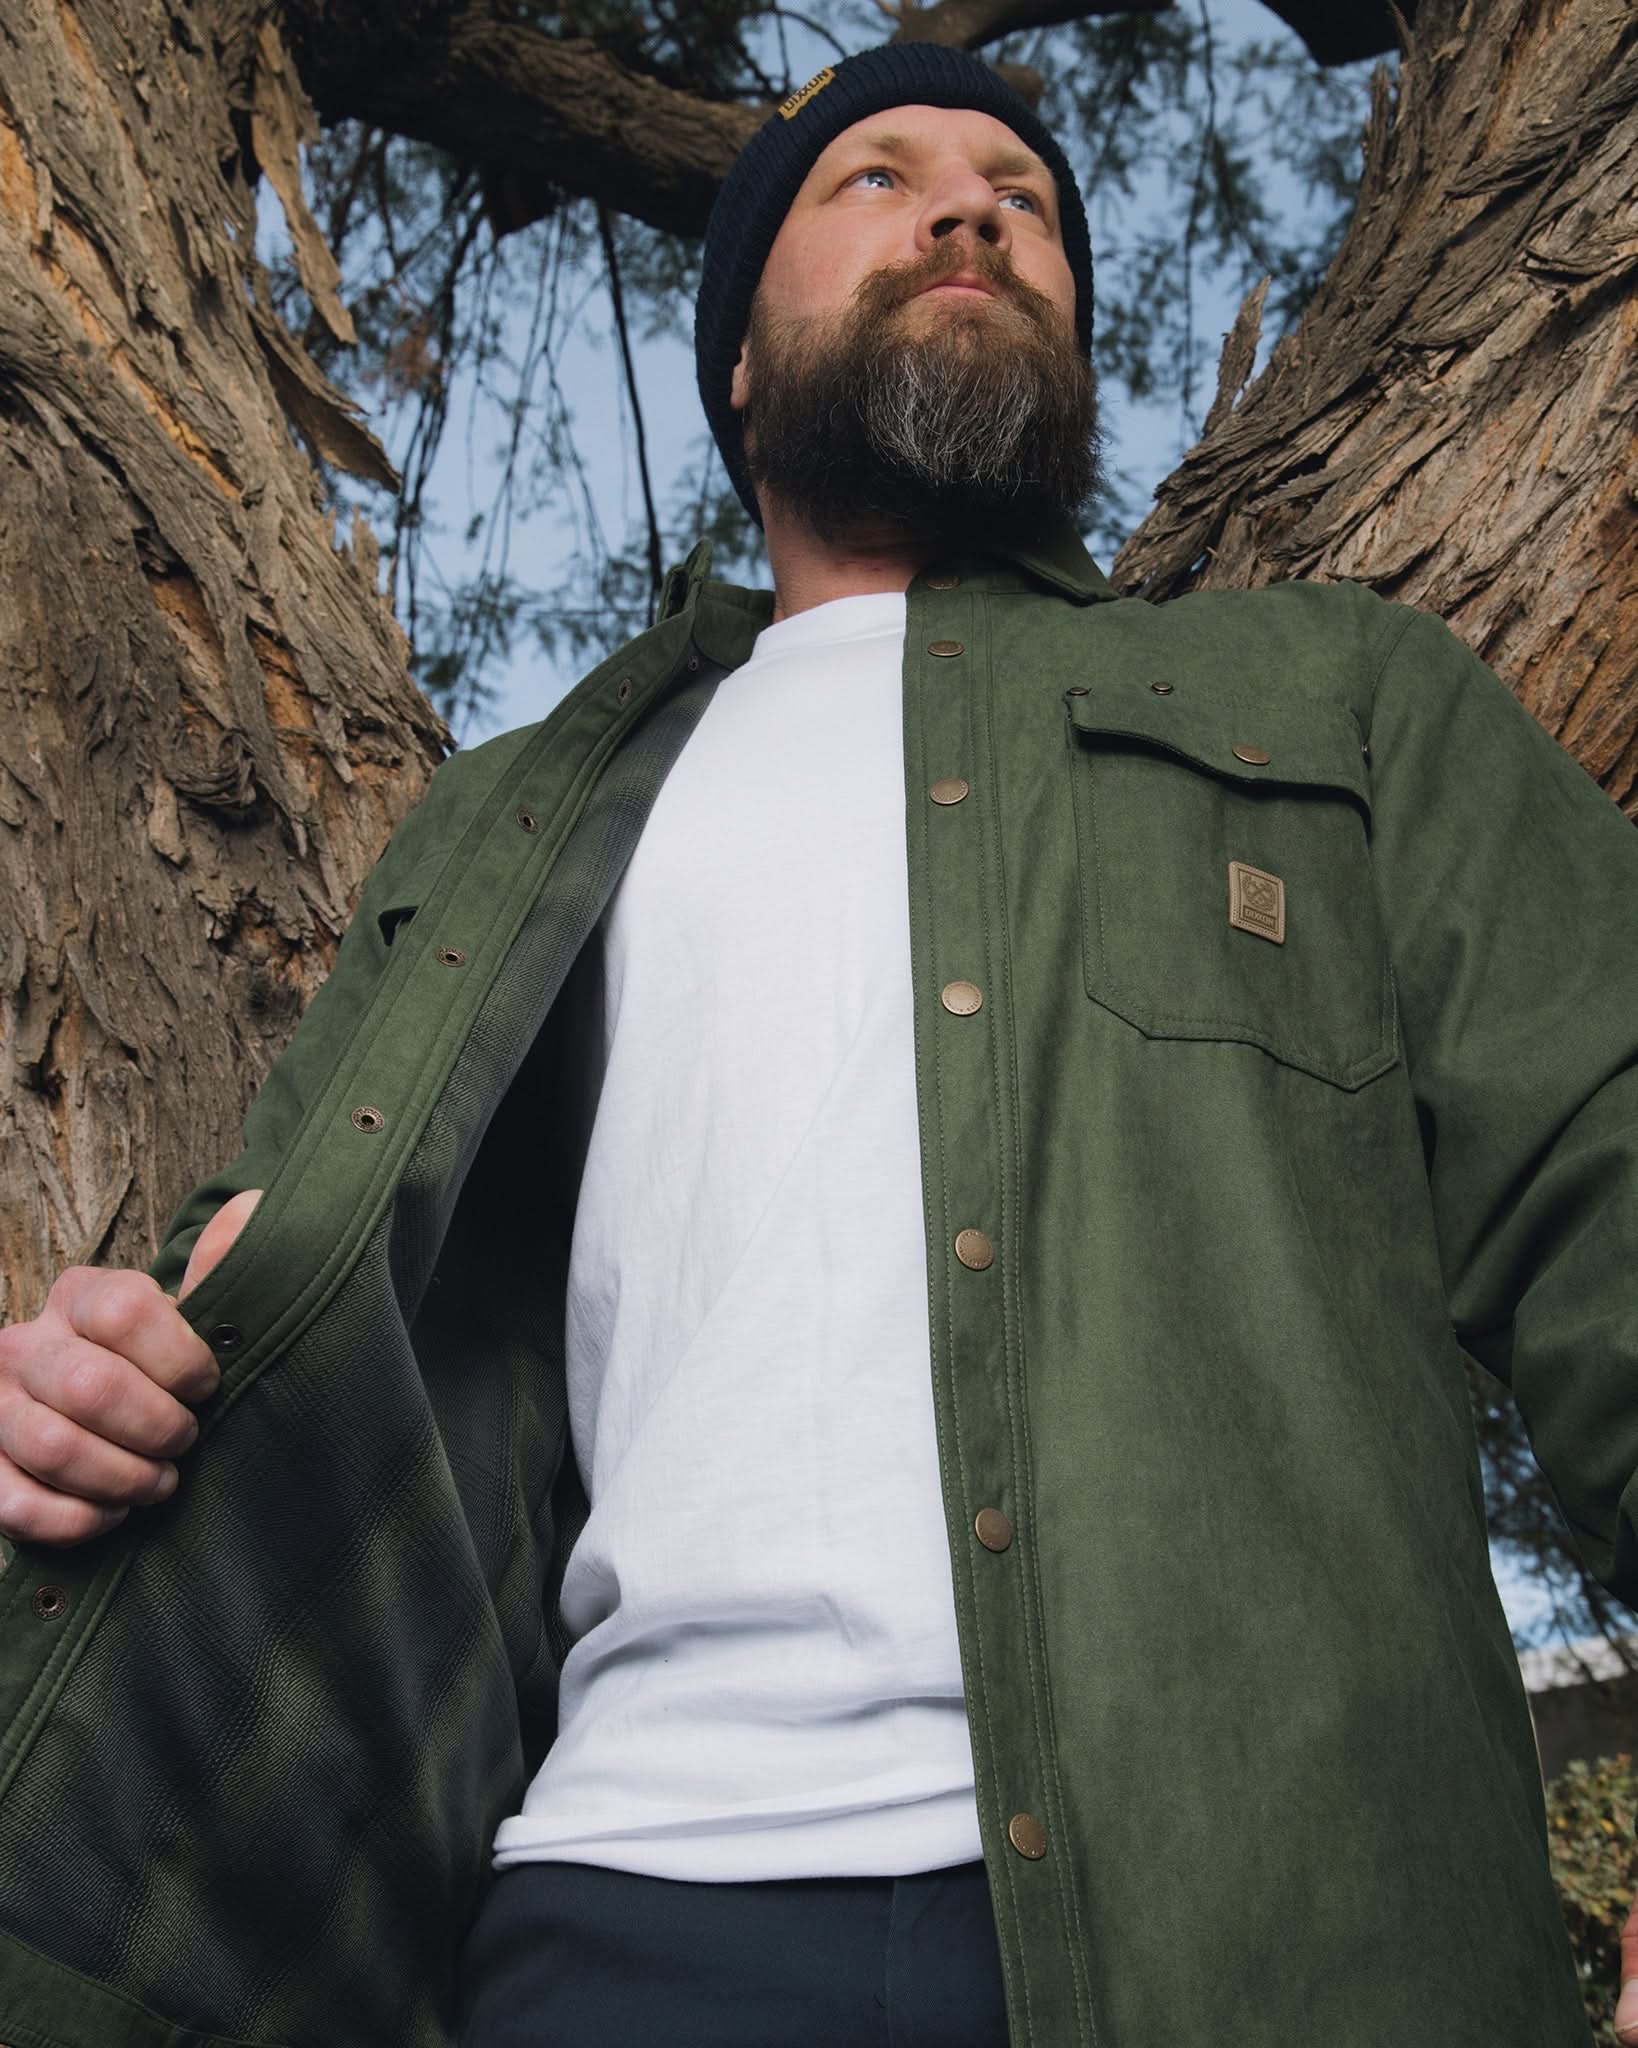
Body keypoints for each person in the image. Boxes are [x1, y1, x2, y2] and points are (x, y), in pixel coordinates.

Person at [0, 39, 1632, 2048]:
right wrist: (99, 1373)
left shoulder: (1331, 695)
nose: (970, 212)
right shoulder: (509, 824)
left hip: (1287, 1921)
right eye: (879, 176)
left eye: (1024, 203)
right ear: (740, 371)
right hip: (615, 1921)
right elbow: (281, 1277)